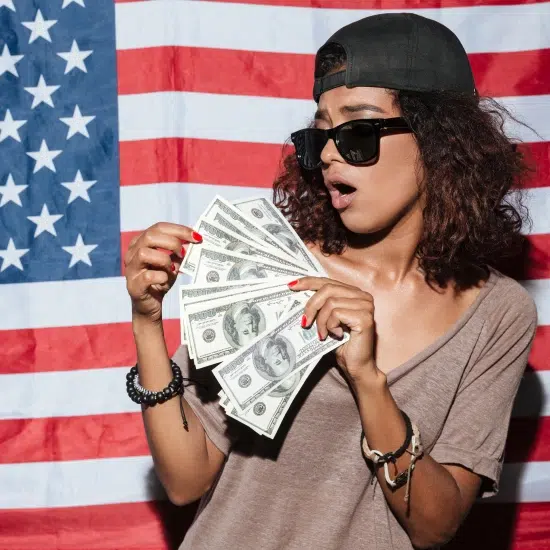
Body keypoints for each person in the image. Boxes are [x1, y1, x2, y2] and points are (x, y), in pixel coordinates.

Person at [123, 13, 538, 550]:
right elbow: (186, 480)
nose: (328, 154)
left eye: (358, 131)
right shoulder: (274, 270)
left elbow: (436, 526)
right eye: (317, 137)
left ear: (441, 142)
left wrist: (368, 381)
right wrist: (146, 322)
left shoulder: (498, 313)